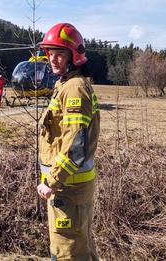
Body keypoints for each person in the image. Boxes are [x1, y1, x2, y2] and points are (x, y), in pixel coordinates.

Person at [37, 23, 100, 261]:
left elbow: (75, 143)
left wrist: (53, 179)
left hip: (68, 187)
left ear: (74, 56)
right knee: (80, 249)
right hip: (67, 187)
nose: (53, 59)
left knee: (69, 254)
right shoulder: (65, 84)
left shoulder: (74, 88)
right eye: (50, 53)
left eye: (60, 54)